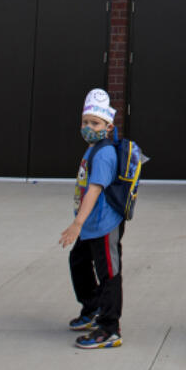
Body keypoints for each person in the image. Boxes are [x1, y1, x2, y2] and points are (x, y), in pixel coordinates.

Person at [59, 88, 126, 350]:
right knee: (78, 261)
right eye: (85, 122)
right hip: (90, 225)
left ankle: (110, 328)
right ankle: (93, 307)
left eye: (95, 123)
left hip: (104, 225)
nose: (88, 127)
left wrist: (76, 224)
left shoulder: (105, 154)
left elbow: (95, 189)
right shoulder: (93, 149)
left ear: (107, 126)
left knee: (109, 273)